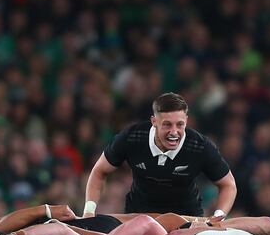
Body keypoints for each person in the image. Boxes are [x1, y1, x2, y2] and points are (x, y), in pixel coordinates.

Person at [84, 92, 237, 217]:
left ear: (187, 121)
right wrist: (89, 212)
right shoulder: (132, 138)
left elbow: (228, 185)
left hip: (186, 219)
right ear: (154, 121)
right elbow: (99, 171)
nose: (174, 132)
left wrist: (218, 216)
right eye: (167, 125)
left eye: (180, 124)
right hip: (138, 216)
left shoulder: (200, 146)